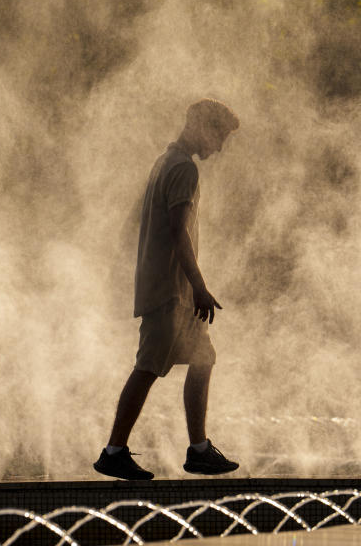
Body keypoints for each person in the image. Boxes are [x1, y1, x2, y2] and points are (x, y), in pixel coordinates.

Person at [93, 99, 241, 480]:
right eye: (219, 136)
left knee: (202, 358)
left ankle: (199, 449)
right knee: (147, 366)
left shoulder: (166, 161)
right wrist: (200, 288)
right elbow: (178, 233)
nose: (220, 147)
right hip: (170, 292)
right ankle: (114, 451)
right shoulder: (182, 169)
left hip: (174, 291)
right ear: (201, 127)